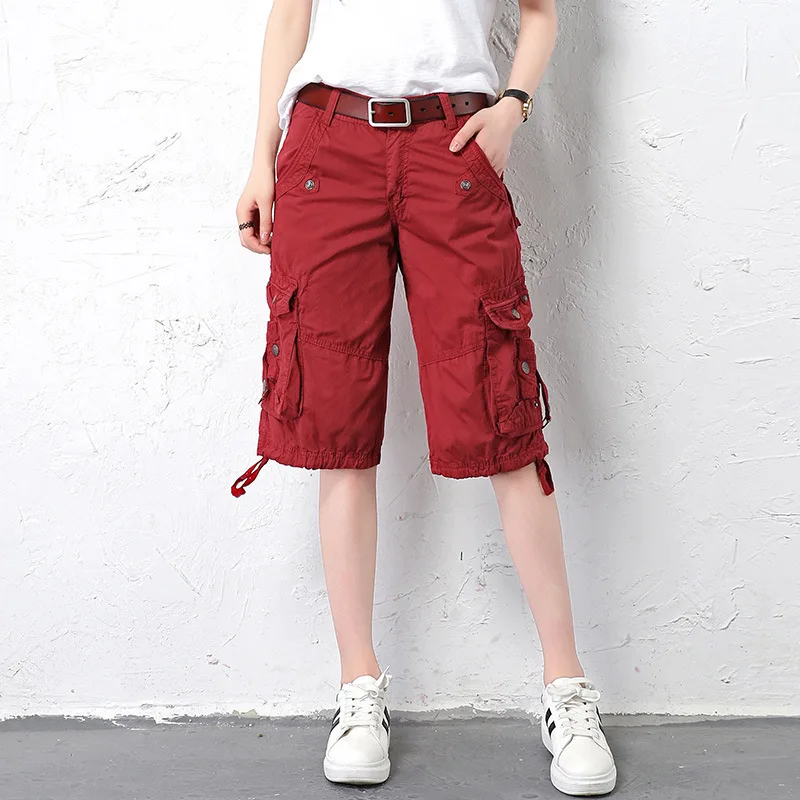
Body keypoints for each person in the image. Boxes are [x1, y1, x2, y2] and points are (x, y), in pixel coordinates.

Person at [232, 0, 617, 794]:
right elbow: (290, 13)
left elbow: (541, 12)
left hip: (454, 145)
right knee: (335, 427)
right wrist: (261, 157)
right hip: (327, 146)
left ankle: (566, 687)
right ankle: (358, 687)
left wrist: (513, 106)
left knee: (502, 417)